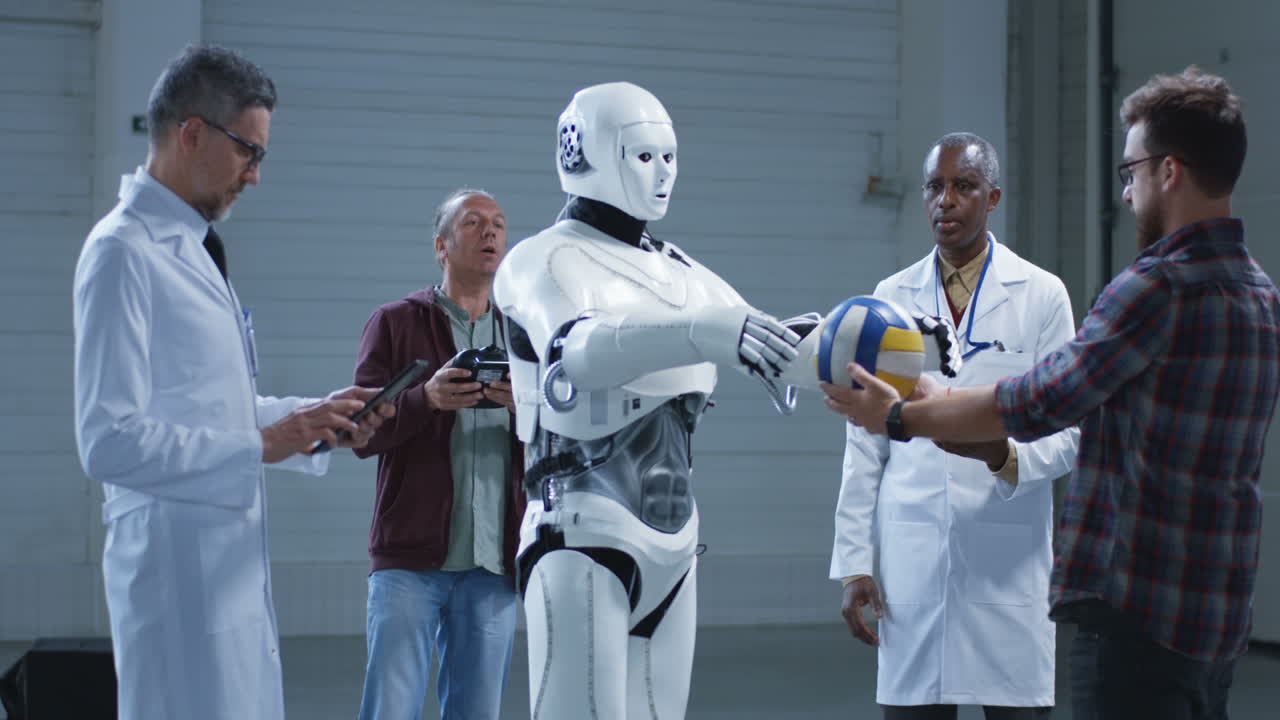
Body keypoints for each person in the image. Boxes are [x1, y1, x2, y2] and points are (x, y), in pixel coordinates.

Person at [823, 67, 1278, 720]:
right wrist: (856, 555)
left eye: (1131, 172)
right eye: (935, 187)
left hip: (1132, 608)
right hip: (1213, 613)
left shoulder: (1145, 289)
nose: (1126, 193)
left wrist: (903, 414)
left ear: (1168, 172)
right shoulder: (1263, 297)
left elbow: (1038, 405)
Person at [72, 44, 391, 720]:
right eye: (250, 152)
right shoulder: (122, 252)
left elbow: (216, 408)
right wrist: (262, 445)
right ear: (193, 133)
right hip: (173, 574)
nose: (254, 176)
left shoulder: (193, 246)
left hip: (223, 567)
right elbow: (108, 441)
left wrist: (317, 419)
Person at [492, 82, 811, 719]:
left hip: (674, 545)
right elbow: (574, 350)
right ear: (587, 152)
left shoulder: (679, 271)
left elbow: (776, 341)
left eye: (670, 157)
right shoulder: (542, 261)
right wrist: (704, 331)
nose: (663, 174)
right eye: (644, 156)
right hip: (583, 535)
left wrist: (884, 345)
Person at [831, 132, 1078, 720]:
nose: (946, 201)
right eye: (935, 188)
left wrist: (1006, 457)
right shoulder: (890, 299)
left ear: (992, 198)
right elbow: (865, 447)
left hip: (1006, 556)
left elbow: (1070, 431)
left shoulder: (1042, 296)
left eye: (963, 187)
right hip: (911, 561)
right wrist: (855, 563)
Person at [352, 188, 526, 720]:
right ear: (441, 245)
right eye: (473, 223)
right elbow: (360, 431)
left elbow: (567, 436)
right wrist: (423, 400)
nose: (491, 232)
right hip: (410, 560)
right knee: (392, 710)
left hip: (495, 562)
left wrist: (529, 408)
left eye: (498, 222)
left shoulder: (526, 332)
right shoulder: (395, 322)